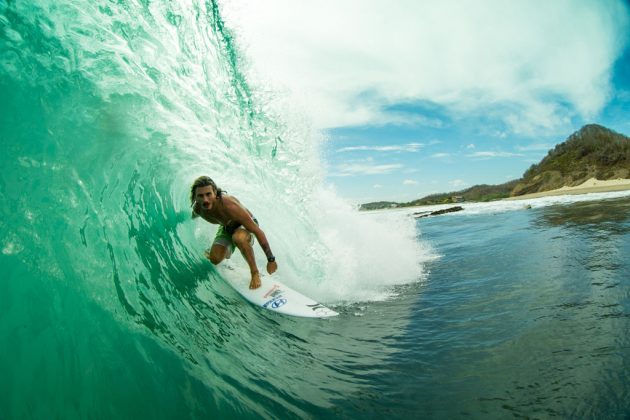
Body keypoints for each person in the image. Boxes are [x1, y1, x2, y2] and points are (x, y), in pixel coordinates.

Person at [190, 176, 277, 289]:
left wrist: (271, 259)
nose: (205, 200)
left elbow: (257, 231)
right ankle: (222, 252)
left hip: (246, 226)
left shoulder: (229, 205)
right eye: (200, 196)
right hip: (227, 227)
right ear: (195, 197)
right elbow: (193, 216)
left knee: (239, 238)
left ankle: (255, 273)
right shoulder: (198, 209)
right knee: (215, 259)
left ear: (215, 192)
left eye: (208, 194)